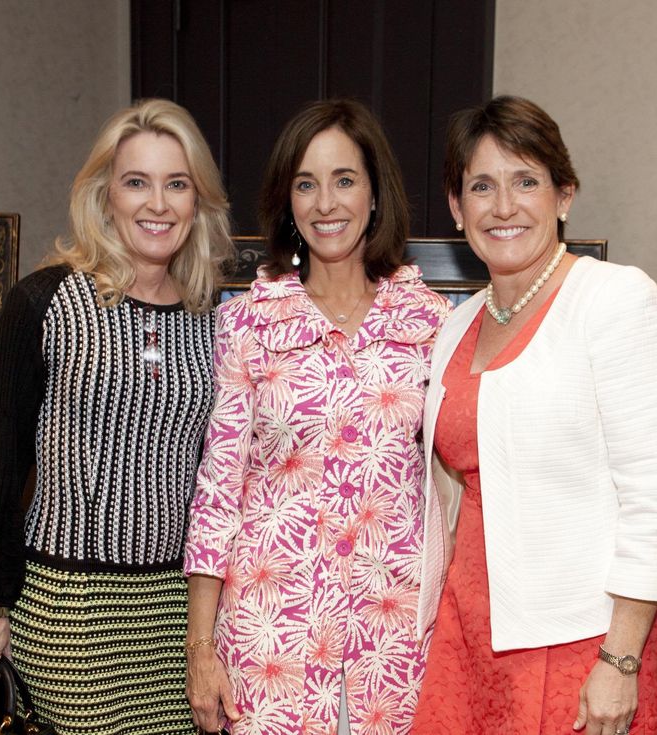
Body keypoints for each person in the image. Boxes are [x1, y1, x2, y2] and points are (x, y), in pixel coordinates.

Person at [412, 95, 657, 735]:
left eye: (526, 182)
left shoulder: (617, 302)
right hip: (469, 628)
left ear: (564, 195)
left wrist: (620, 660)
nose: (503, 206)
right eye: (481, 186)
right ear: (457, 208)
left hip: (584, 639)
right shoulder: (455, 327)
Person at [0, 98, 234, 735]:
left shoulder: (214, 319)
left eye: (177, 184)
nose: (157, 204)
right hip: (71, 611)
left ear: (198, 201)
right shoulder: (45, 300)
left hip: (179, 614)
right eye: (136, 182)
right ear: (104, 193)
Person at [184, 98, 450, 735]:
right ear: (287, 201)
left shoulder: (431, 324)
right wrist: (200, 652)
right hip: (269, 633)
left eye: (344, 180)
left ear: (375, 194)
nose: (326, 203)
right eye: (306, 184)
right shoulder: (247, 323)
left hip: (395, 634)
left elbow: (454, 488)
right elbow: (218, 492)